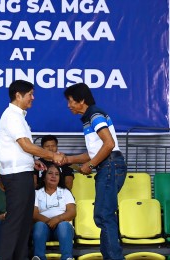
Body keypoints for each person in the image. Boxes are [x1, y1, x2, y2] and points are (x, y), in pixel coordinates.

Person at [0, 79, 65, 260]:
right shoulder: (12, 116)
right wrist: (52, 156)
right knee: (15, 222)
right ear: (18, 95)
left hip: (22, 172)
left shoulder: (19, 116)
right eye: (30, 94)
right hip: (16, 176)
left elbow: (20, 148)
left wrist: (31, 161)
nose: (33, 98)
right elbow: (26, 145)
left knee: (24, 222)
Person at [63, 82, 127, 260]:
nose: (69, 105)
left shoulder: (94, 114)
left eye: (70, 101)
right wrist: (69, 159)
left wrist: (91, 165)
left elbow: (109, 144)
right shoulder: (89, 118)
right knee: (104, 215)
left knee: (104, 215)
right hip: (110, 166)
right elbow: (94, 152)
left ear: (81, 100)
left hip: (110, 166)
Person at [32, 164, 76, 260]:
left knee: (64, 226)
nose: (53, 176)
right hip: (44, 228)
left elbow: (72, 212)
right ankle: (39, 257)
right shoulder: (37, 193)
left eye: (57, 174)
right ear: (43, 178)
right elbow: (34, 214)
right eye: (50, 173)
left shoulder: (65, 192)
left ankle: (67, 257)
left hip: (62, 228)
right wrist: (49, 222)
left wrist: (57, 219)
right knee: (39, 226)